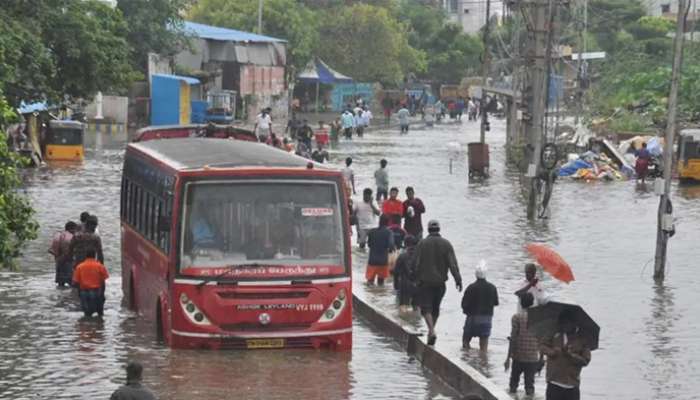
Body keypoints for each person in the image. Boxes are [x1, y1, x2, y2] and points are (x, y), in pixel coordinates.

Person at [413, 220, 462, 345]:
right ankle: (431, 332)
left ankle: (431, 331)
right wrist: (458, 280)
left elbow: (415, 264)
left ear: (428, 230)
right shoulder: (446, 244)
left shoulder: (422, 243)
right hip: (440, 284)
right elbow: (453, 264)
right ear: (439, 229)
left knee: (426, 309)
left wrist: (415, 278)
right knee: (435, 309)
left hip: (425, 283)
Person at [540, 309, 592, 400]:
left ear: (574, 324)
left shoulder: (582, 339)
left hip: (572, 385)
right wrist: (552, 352)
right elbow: (542, 346)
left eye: (567, 323)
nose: (564, 325)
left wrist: (571, 355)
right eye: (562, 323)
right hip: (554, 382)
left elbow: (585, 361)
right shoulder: (554, 334)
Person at [505, 293, 541, 395]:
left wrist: (508, 358)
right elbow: (542, 339)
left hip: (518, 356)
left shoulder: (517, 318)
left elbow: (513, 339)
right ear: (532, 303)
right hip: (533, 357)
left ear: (521, 303)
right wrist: (541, 358)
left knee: (513, 384)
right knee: (529, 386)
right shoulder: (538, 319)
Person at [461, 261, 499, 352]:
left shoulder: (471, 287)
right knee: (484, 345)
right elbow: (496, 303)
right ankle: (483, 362)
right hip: (486, 319)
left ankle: (466, 359)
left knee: (465, 341)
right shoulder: (492, 288)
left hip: (472, 318)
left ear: (476, 274)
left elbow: (464, 304)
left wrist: (466, 311)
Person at [72, 247, 109, 318]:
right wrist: (102, 294)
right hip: (97, 292)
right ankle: (99, 327)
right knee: (100, 315)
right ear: (95, 256)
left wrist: (79, 294)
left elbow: (76, 282)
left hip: (84, 293)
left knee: (87, 315)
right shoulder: (100, 266)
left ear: (86, 256)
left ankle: (87, 327)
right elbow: (103, 281)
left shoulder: (79, 267)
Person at [366, 214, 395, 286]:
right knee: (381, 284)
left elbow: (369, 244)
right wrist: (391, 250)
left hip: (372, 260)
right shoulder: (389, 232)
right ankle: (380, 294)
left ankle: (370, 297)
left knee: (370, 282)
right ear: (388, 223)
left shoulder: (372, 232)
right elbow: (391, 245)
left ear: (379, 221)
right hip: (383, 261)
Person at [393, 235, 418, 312]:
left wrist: (396, 284)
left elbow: (396, 272)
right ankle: (416, 322)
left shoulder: (402, 256)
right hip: (418, 284)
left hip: (404, 284)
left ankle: (403, 320)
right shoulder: (421, 255)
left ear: (405, 244)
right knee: (416, 306)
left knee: (403, 305)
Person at [49, 221, 78, 287]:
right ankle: (70, 296)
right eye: (75, 229)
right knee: (72, 283)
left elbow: (53, 250)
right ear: (71, 229)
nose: (76, 231)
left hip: (59, 262)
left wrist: (58, 258)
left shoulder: (59, 235)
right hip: (69, 262)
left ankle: (60, 296)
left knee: (60, 283)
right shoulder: (71, 237)